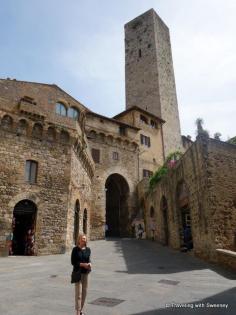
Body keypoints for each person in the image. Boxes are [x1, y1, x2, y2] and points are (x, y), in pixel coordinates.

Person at [71, 234, 91, 315]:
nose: (84, 240)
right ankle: (77, 312)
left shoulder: (88, 249)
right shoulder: (75, 250)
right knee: (78, 294)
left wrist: (90, 264)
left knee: (84, 293)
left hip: (85, 273)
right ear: (79, 240)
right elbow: (73, 262)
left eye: (85, 239)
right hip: (78, 273)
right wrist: (83, 265)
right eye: (83, 239)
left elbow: (88, 259)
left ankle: (81, 310)